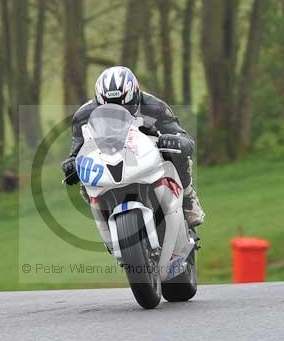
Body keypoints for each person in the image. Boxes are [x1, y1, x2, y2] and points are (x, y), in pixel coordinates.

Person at [61, 66, 205, 227]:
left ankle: (188, 197)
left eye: (123, 107)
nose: (116, 112)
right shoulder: (82, 116)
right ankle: (105, 220)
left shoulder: (155, 107)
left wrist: (174, 140)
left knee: (177, 153)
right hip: (107, 159)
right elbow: (78, 149)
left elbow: (184, 139)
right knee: (85, 177)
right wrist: (71, 163)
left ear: (135, 96)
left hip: (147, 153)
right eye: (109, 107)